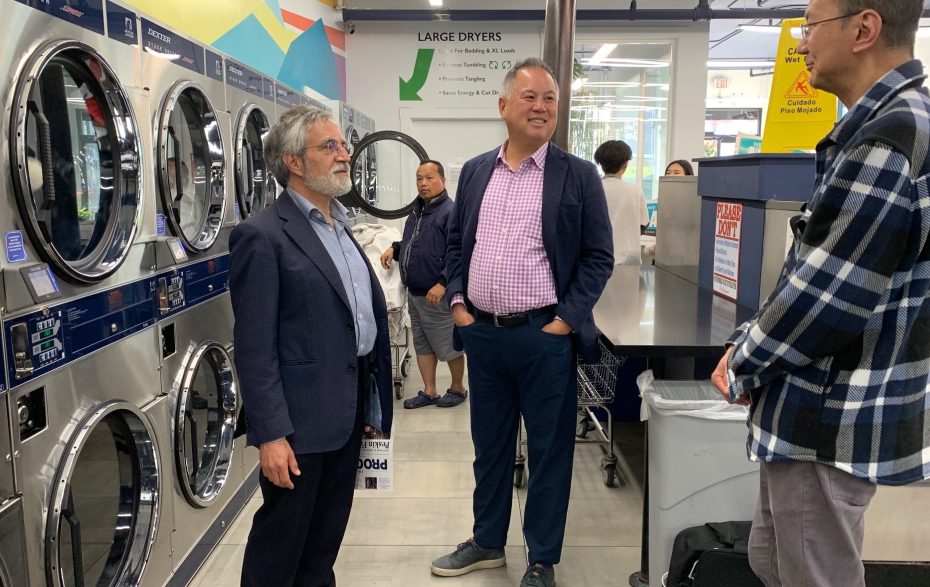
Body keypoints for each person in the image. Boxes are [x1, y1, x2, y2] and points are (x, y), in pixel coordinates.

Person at [710, 1, 930, 586]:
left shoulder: (889, 140)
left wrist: (742, 360)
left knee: (813, 574)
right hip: (822, 413)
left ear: (864, 28)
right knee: (773, 560)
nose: (801, 43)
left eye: (810, 27)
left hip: (825, 418)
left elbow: (825, 300)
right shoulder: (889, 127)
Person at [430, 58, 613, 587]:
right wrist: (459, 303)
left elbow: (598, 257)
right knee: (489, 447)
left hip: (543, 338)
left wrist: (565, 321)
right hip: (483, 336)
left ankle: (541, 559)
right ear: (504, 105)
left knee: (549, 452)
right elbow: (458, 243)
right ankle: (487, 541)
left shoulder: (578, 175)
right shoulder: (476, 171)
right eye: (530, 96)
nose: (541, 107)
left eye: (550, 98)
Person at [229, 105, 393, 587]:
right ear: (294, 162)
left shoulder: (341, 225)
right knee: (280, 550)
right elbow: (254, 348)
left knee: (323, 546)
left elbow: (355, 318)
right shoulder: (262, 236)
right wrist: (271, 434)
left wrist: (371, 402)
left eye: (344, 145)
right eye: (330, 146)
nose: (344, 155)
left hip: (347, 412)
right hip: (298, 426)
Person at [379, 160, 468, 409]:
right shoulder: (417, 211)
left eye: (429, 178)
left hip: (437, 294)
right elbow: (414, 243)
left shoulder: (450, 211)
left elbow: (459, 252)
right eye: (419, 178)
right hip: (415, 293)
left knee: (448, 344)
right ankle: (430, 391)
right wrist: (394, 249)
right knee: (422, 344)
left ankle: (458, 388)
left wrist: (443, 282)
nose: (423, 183)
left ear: (443, 180)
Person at [594, 140, 649, 265]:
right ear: (625, 164)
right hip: (629, 260)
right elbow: (643, 225)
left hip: (598, 261)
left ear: (601, 164)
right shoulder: (635, 191)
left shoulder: (592, 189)